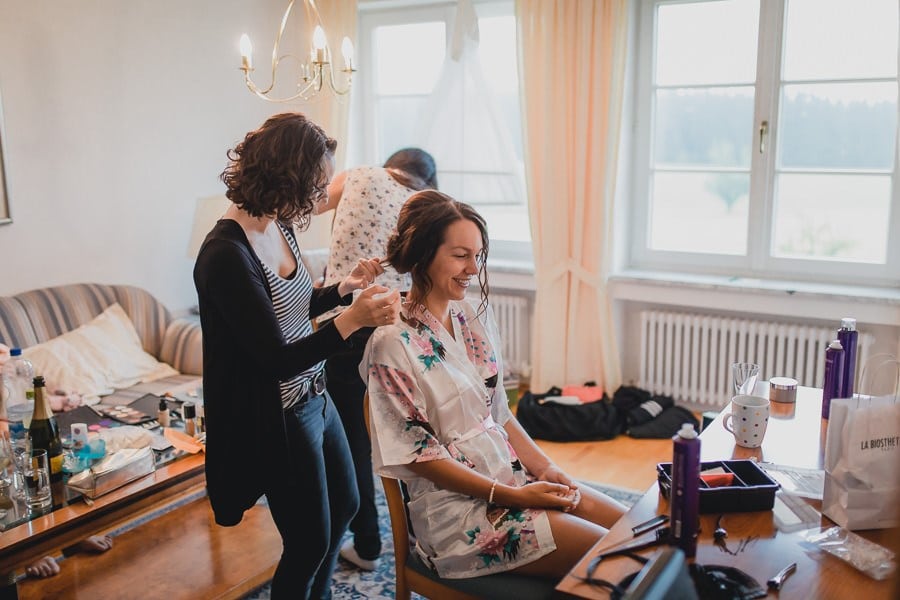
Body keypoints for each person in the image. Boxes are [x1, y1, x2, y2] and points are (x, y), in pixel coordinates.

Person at [361, 190, 628, 580]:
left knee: (636, 530)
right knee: (615, 559)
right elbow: (418, 455)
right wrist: (512, 497)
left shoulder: (470, 319)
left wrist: (545, 467)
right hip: (458, 517)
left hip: (512, 478)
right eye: (460, 255)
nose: (473, 268)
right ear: (423, 254)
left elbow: (497, 414)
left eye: (478, 255)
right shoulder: (390, 343)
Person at [193, 112, 401, 599]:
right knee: (308, 541)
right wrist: (354, 320)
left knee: (346, 506)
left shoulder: (279, 228)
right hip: (280, 416)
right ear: (286, 176)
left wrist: (343, 291)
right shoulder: (225, 255)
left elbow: (295, 306)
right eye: (317, 182)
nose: (320, 195)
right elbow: (274, 357)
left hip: (316, 395)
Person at [315, 147, 438, 571]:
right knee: (408, 439)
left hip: (349, 326)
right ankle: (425, 541)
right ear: (426, 181)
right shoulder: (426, 210)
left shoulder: (358, 175)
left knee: (352, 442)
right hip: (400, 332)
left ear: (392, 164)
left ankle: (368, 545)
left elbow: (310, 205)